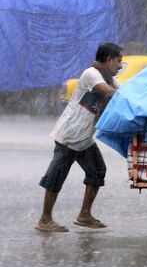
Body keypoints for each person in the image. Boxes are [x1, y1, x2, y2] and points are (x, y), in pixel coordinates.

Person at [35, 43, 123, 232]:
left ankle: (84, 215)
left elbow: (122, 91)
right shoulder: (91, 73)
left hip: (84, 140)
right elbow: (108, 93)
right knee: (55, 177)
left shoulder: (110, 79)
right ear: (108, 60)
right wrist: (125, 96)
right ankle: (45, 219)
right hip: (69, 136)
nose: (120, 66)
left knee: (97, 171)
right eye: (118, 61)